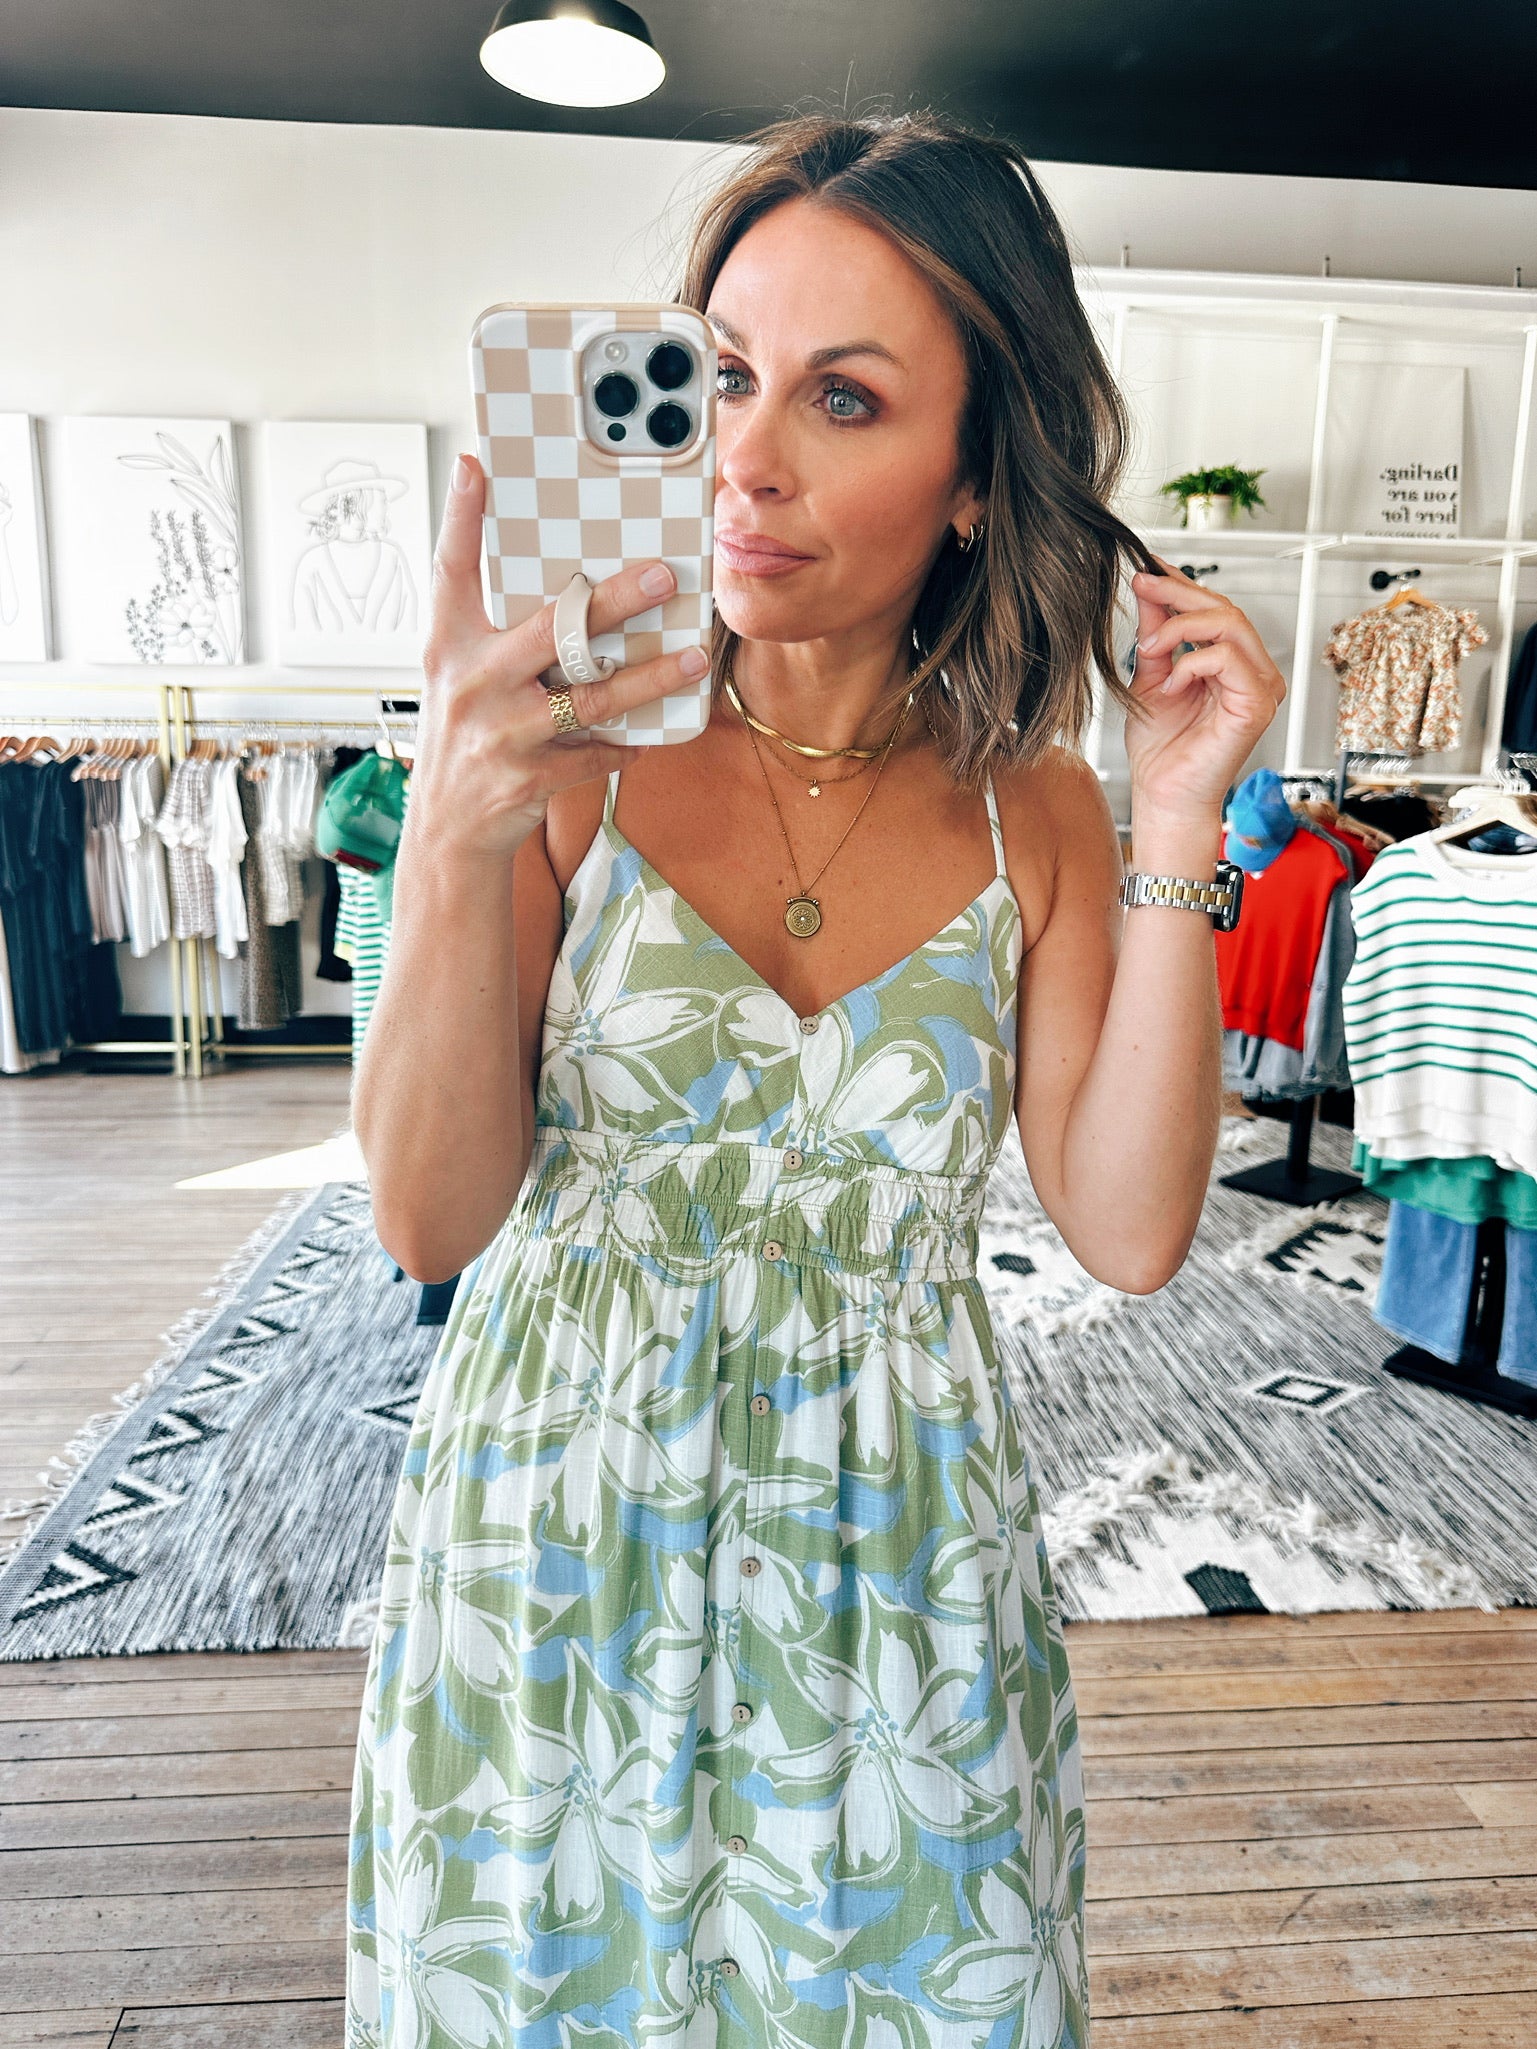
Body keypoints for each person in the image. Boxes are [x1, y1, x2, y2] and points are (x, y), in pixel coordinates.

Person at [346, 110, 1284, 2049]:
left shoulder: (1034, 807)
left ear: (975, 474)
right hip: (555, 1553)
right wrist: (453, 812)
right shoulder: (570, 754)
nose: (745, 457)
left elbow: (1125, 1230)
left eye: (842, 398)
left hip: (898, 1571)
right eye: (721, 375)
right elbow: (428, 1217)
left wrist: (1178, 820)